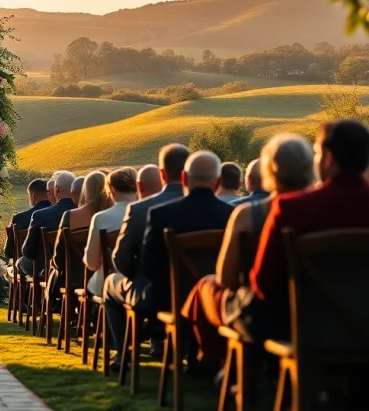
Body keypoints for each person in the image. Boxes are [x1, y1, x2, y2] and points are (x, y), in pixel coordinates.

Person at [183, 134, 314, 369]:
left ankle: (213, 360)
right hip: (314, 312)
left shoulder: (246, 215)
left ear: (269, 172)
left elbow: (227, 279)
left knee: (205, 287)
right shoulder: (319, 213)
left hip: (264, 316)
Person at [248, 120, 369, 341]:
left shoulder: (292, 208)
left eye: (316, 153)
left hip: (305, 331)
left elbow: (263, 284)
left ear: (329, 157)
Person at [128, 151, 233, 369]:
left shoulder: (161, 215)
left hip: (170, 300)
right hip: (217, 300)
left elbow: (149, 266)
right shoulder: (232, 215)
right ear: (218, 182)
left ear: (184, 178)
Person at [105, 144, 189, 362]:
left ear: (163, 174)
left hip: (153, 296)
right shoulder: (215, 209)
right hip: (195, 296)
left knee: (110, 284)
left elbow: (121, 261)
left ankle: (123, 353)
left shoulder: (141, 210)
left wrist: (138, 275)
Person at [47, 171, 110, 304]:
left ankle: (55, 304)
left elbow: (59, 256)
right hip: (107, 277)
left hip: (75, 278)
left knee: (54, 267)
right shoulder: (112, 215)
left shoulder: (71, 216)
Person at [84, 167, 138, 296]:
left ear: (111, 190)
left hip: (110, 281)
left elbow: (91, 263)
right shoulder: (147, 211)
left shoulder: (101, 218)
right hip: (142, 280)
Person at [19, 171, 77, 277]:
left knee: (21, 263)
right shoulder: (86, 214)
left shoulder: (40, 215)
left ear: (57, 189)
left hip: (46, 270)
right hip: (78, 270)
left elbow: (28, 251)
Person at [5, 178, 50, 261]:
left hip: (32, 263)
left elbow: (9, 251)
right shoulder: (61, 214)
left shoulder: (19, 218)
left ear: (33, 196)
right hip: (59, 263)